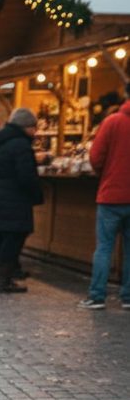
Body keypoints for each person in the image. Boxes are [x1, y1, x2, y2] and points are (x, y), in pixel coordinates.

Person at [79, 87, 130, 310]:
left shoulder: (112, 122)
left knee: (104, 247)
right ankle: (128, 296)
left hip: (111, 195)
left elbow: (96, 157)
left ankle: (97, 295)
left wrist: (106, 170)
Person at [0, 108, 43, 294]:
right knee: (13, 238)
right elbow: (26, 176)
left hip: (0, 196)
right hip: (16, 199)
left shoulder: (1, 143)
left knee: (1, 237)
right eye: (33, 127)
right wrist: (36, 195)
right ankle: (4, 280)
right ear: (25, 127)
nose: (34, 132)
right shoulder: (21, 145)